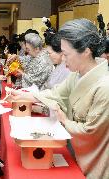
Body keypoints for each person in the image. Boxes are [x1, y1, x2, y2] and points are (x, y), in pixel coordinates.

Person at [8, 18, 109, 179]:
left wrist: (64, 120)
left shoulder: (104, 86)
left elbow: (91, 132)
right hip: (76, 148)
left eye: (66, 54)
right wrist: (27, 95)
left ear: (86, 51)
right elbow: (55, 93)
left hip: (95, 157)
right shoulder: (77, 73)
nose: (63, 58)